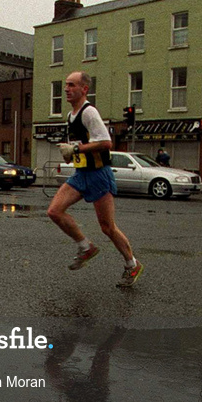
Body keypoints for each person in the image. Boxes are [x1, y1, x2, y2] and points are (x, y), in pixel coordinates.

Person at [47, 71, 143, 287]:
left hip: (99, 174)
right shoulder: (72, 115)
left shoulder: (89, 113)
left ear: (84, 89)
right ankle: (85, 247)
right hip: (82, 174)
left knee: (107, 227)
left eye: (71, 85)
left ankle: (132, 264)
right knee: (54, 211)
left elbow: (106, 143)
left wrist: (76, 147)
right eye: (66, 85)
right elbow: (84, 146)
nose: (66, 89)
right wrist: (73, 154)